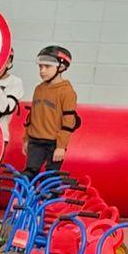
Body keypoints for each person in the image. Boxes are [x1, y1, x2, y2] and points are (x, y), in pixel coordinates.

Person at [24, 44, 79, 177]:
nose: (42, 71)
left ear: (61, 67)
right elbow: (32, 117)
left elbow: (68, 121)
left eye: (47, 67)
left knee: (50, 178)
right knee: (28, 174)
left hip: (53, 143)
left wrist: (61, 146)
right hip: (35, 141)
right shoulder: (39, 89)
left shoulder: (67, 92)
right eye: (40, 67)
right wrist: (26, 139)